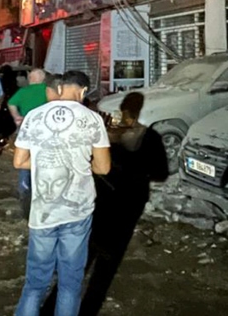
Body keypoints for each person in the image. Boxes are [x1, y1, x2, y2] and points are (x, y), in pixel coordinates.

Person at [13, 71, 111, 316]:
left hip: (43, 212)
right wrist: (73, 164)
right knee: (70, 284)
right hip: (77, 210)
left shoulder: (34, 116)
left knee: (35, 283)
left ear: (59, 89)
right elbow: (103, 167)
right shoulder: (93, 119)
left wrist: (48, 162)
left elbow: (19, 161)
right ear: (83, 91)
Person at [80, 92, 168, 316]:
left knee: (81, 262)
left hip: (103, 205)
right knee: (106, 269)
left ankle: (53, 308)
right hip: (129, 208)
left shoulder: (110, 137)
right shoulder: (152, 138)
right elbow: (162, 173)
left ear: (122, 110)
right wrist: (140, 171)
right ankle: (89, 310)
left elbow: (93, 165)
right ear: (139, 111)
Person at [8, 69, 49, 215]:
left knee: (24, 160)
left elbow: (11, 103)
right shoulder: (48, 90)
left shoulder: (23, 91)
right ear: (43, 79)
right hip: (45, 132)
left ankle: (23, 189)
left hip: (26, 129)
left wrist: (17, 117)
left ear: (32, 78)